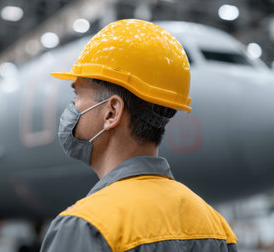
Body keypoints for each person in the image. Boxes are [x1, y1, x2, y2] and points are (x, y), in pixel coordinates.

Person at [40, 19, 237, 252]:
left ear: (111, 112)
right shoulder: (216, 227)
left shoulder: (84, 226)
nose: (73, 107)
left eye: (78, 96)